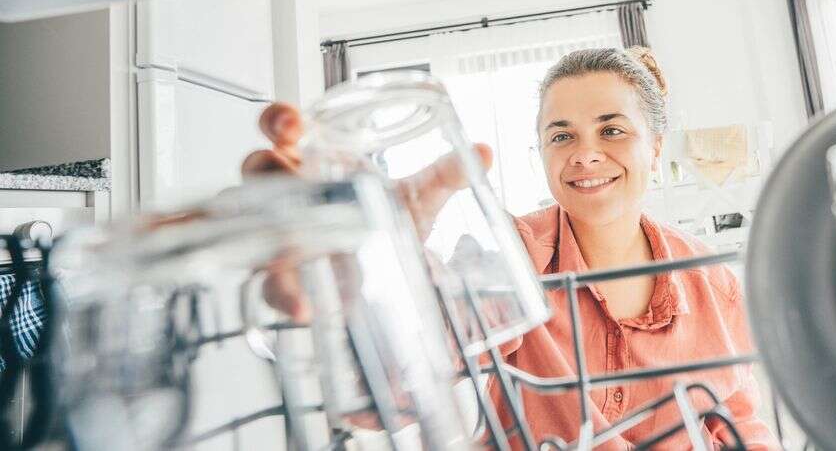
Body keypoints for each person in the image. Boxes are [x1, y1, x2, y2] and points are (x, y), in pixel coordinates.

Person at [244, 47, 777, 449]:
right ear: (541, 152)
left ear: (655, 147)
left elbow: (741, 421)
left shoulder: (713, 280)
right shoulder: (505, 258)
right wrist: (364, 280)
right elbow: (387, 398)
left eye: (611, 131)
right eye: (562, 136)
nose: (585, 156)